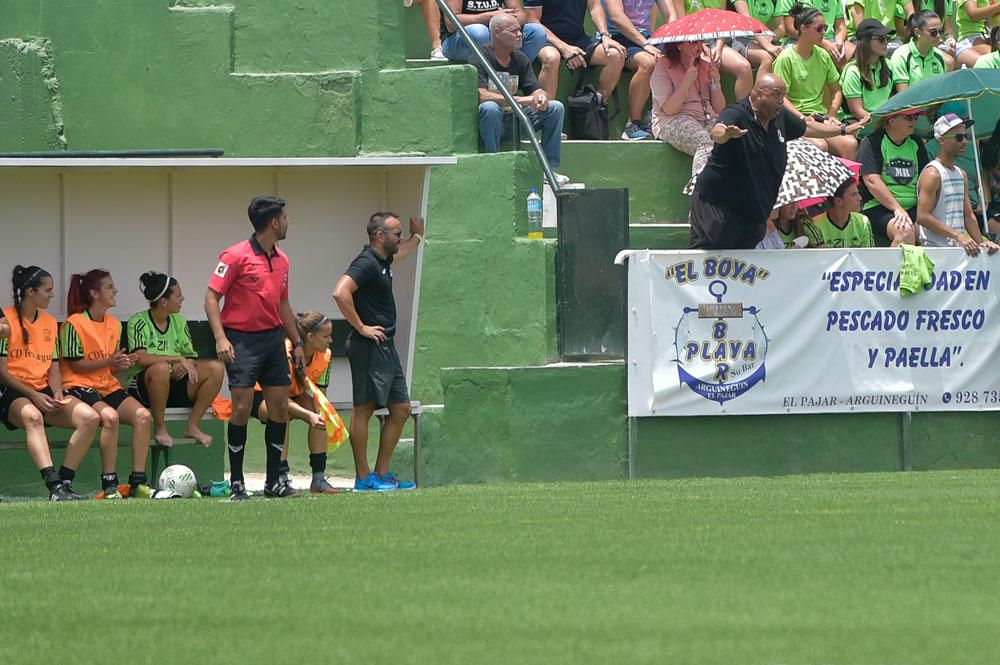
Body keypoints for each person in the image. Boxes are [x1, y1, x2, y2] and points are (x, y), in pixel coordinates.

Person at [204, 196, 306, 501]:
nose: (289, 222)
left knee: (279, 408)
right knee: (242, 408)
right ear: (274, 223)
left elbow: (283, 303)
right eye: (285, 217)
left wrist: (297, 342)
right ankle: (237, 482)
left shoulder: (284, 259)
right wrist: (221, 338)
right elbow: (211, 298)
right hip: (242, 340)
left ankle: (274, 482)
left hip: (273, 339)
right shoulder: (234, 255)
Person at [690, 73, 865, 248]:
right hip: (719, 204)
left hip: (753, 209)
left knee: (745, 264)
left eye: (783, 95)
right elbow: (717, 131)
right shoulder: (737, 113)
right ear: (757, 94)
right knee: (711, 256)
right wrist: (726, 133)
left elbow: (808, 127)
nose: (781, 101)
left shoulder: (779, 116)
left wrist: (844, 129)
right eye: (775, 95)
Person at [333, 212, 424, 491]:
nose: (400, 237)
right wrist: (361, 327)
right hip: (368, 347)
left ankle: (381, 473)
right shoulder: (366, 263)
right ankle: (363, 478)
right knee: (364, 408)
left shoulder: (382, 262)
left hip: (386, 347)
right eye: (396, 233)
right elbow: (340, 292)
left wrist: (417, 237)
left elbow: (402, 253)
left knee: (400, 408)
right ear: (379, 236)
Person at [0, 266, 99, 501]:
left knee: (90, 418)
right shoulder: (6, 321)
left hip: (43, 392)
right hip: (14, 391)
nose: (52, 295)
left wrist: (56, 392)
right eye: (48, 290)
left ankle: (64, 482)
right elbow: (2, 372)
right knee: (33, 416)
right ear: (31, 292)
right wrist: (34, 396)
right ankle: (53, 484)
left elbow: (54, 367)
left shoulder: (50, 323)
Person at [60, 269, 154, 500]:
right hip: (79, 385)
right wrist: (110, 361)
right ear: (94, 293)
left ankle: (137, 483)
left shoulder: (114, 324)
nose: (116, 291)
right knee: (110, 417)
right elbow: (76, 366)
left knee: (143, 416)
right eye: (110, 287)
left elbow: (108, 366)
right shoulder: (74, 323)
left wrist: (120, 363)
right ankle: (110, 483)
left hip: (106, 385)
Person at [125, 272, 224, 448]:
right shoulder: (138, 322)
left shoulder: (179, 321)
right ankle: (160, 428)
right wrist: (176, 359)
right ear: (164, 302)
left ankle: (192, 425)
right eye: (178, 296)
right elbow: (140, 358)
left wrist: (185, 365)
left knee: (216, 368)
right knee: (161, 368)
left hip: (175, 385)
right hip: (145, 389)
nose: (182, 299)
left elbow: (190, 356)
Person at [251, 312, 340, 494]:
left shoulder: (325, 356)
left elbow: (319, 396)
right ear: (310, 337)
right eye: (326, 336)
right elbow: (278, 398)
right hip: (263, 397)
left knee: (322, 413)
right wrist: (307, 415)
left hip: (295, 396)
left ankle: (318, 479)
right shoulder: (282, 352)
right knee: (281, 412)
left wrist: (318, 413)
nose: (330, 340)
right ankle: (280, 476)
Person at [475, 13, 567, 179]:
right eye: (514, 31)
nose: (520, 34)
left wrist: (541, 97)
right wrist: (522, 100)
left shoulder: (520, 58)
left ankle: (548, 170)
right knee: (490, 108)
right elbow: (481, 95)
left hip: (516, 120)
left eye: (520, 30)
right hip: (492, 123)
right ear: (497, 33)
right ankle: (493, 166)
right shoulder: (480, 57)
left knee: (555, 107)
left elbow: (535, 88)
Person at [772, 3, 861, 158]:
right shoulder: (785, 58)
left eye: (825, 28)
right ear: (803, 28)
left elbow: (836, 90)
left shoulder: (823, 55)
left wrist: (832, 114)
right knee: (820, 146)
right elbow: (781, 98)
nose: (824, 32)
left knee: (850, 144)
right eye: (819, 28)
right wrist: (801, 117)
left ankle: (848, 183)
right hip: (795, 120)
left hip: (819, 117)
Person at [916, 113, 1000, 254]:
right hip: (935, 251)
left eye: (965, 137)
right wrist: (958, 235)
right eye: (958, 137)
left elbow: (968, 215)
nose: (964, 142)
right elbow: (922, 217)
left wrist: (981, 243)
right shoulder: (932, 174)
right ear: (941, 140)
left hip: (957, 251)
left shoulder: (961, 174)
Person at [524, 0, 627, 113]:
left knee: (615, 55)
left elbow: (594, 6)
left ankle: (595, 108)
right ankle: (546, 115)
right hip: (546, 40)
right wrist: (564, 48)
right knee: (551, 58)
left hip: (578, 38)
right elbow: (533, 20)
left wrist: (604, 35)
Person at [649, 39, 726, 175]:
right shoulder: (663, 66)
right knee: (706, 144)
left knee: (734, 142)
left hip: (707, 118)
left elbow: (719, 109)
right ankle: (699, 191)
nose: (697, 47)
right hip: (673, 120)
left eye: (699, 42)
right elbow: (670, 109)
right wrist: (686, 81)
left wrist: (716, 82)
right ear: (678, 45)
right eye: (692, 42)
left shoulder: (706, 65)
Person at [603, 0, 676, 139]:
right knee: (647, 63)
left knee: (678, 58)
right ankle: (632, 125)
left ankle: (655, 118)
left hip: (649, 38)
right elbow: (617, 17)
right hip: (619, 37)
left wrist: (669, 41)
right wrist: (644, 43)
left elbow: (671, 15)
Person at [856, 109, 924, 245]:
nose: (914, 121)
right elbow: (872, 181)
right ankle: (899, 267)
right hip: (878, 206)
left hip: (913, 207)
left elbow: (924, 179)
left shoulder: (916, 142)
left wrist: (924, 213)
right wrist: (897, 208)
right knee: (904, 231)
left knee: (931, 230)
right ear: (891, 120)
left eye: (915, 116)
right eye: (909, 117)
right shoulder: (873, 141)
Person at [669, 0, 755, 99]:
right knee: (707, 65)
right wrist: (699, 45)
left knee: (744, 68)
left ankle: (742, 112)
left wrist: (718, 48)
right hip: (693, 42)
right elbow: (682, 26)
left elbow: (722, 26)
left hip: (716, 42)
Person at [440, 0, 549, 63]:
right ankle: (492, 77)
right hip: (457, 41)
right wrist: (487, 18)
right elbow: (451, 23)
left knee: (537, 32)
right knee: (480, 33)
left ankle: (513, 74)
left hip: (496, 36)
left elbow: (521, 15)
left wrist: (507, 18)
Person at [841, 19, 904, 121]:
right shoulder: (853, 71)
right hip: (858, 122)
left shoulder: (889, 65)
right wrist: (884, 122)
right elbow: (857, 111)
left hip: (884, 120)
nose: (886, 43)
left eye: (886, 38)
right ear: (866, 41)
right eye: (881, 39)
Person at [775, 0, 852, 66]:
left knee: (853, 54)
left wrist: (839, 41)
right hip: (799, 39)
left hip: (830, 39)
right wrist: (824, 43)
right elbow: (790, 29)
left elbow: (840, 25)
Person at [890, 10, 952, 91]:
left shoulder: (939, 56)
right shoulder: (901, 55)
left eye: (940, 31)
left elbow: (941, 91)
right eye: (933, 32)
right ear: (917, 32)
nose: (938, 36)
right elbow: (903, 97)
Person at [813, 177, 877, 246]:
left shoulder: (863, 222)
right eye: (854, 194)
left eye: (858, 193)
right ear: (838, 201)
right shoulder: (816, 226)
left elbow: (867, 255)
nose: (860, 198)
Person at [955, 0, 1000, 68]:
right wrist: (998, 7)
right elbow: (973, 14)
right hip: (970, 38)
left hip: (994, 37)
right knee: (991, 56)